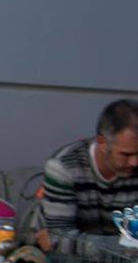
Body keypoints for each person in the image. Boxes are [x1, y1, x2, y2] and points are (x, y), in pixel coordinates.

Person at [41, 99, 138, 243]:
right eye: (126, 154)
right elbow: (58, 237)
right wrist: (124, 245)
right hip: (65, 257)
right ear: (102, 143)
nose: (134, 162)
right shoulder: (64, 167)